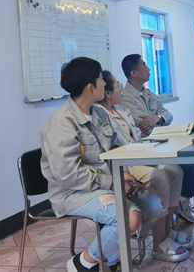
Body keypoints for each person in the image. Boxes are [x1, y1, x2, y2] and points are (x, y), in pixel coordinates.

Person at [40, 57, 142, 271]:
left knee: (149, 201)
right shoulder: (62, 123)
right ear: (90, 87)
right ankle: (83, 263)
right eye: (100, 79)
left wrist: (124, 175)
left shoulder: (99, 112)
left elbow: (115, 149)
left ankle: (109, 261)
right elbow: (69, 175)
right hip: (71, 193)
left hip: (97, 186)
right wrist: (112, 183)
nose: (104, 83)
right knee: (127, 218)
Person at [94, 71, 191, 262]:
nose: (121, 88)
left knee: (175, 171)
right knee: (159, 177)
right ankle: (158, 243)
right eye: (118, 85)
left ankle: (167, 231)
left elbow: (137, 136)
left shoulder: (121, 110)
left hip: (138, 154)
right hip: (124, 163)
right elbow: (111, 149)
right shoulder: (100, 115)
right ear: (108, 93)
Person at [120, 53, 194, 224]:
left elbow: (167, 115)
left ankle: (182, 198)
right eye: (144, 65)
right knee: (190, 169)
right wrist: (155, 120)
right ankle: (178, 201)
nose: (149, 69)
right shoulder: (125, 98)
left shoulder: (148, 93)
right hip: (147, 148)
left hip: (163, 142)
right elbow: (142, 124)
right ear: (133, 73)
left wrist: (156, 118)